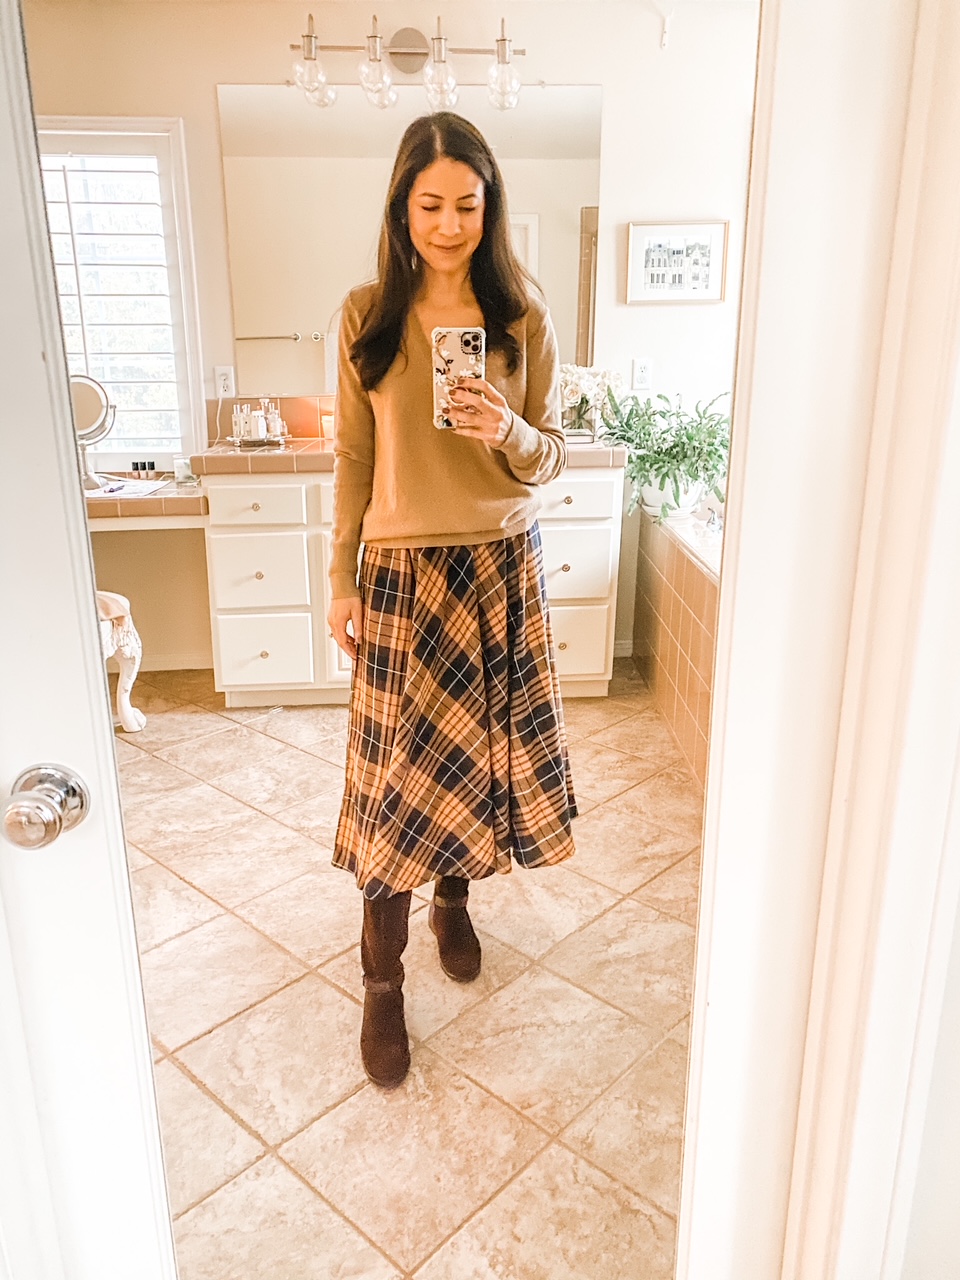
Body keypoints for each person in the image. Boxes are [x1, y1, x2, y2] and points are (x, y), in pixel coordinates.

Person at [327, 111, 577, 1089]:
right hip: (401, 573)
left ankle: (455, 903)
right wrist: (340, 577)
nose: (447, 225)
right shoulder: (365, 315)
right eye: (429, 205)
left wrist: (508, 427)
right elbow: (353, 459)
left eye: (466, 205)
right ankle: (381, 985)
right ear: (402, 206)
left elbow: (549, 457)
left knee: (476, 763)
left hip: (498, 566)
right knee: (396, 788)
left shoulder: (521, 316)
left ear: (490, 205)